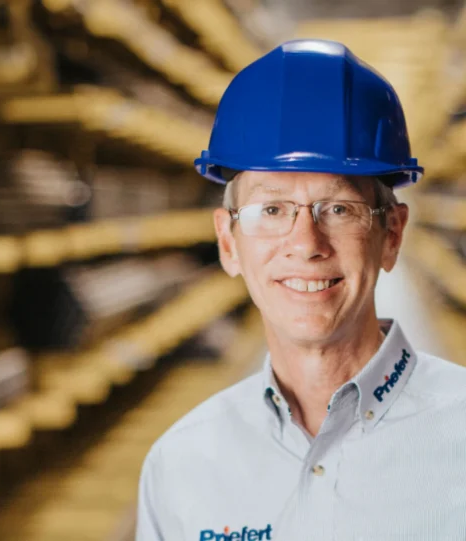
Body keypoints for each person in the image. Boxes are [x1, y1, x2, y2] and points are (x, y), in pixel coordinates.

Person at [135, 39, 466, 541]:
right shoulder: (180, 468)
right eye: (272, 210)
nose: (305, 244)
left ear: (391, 235)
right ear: (228, 242)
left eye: (339, 209)